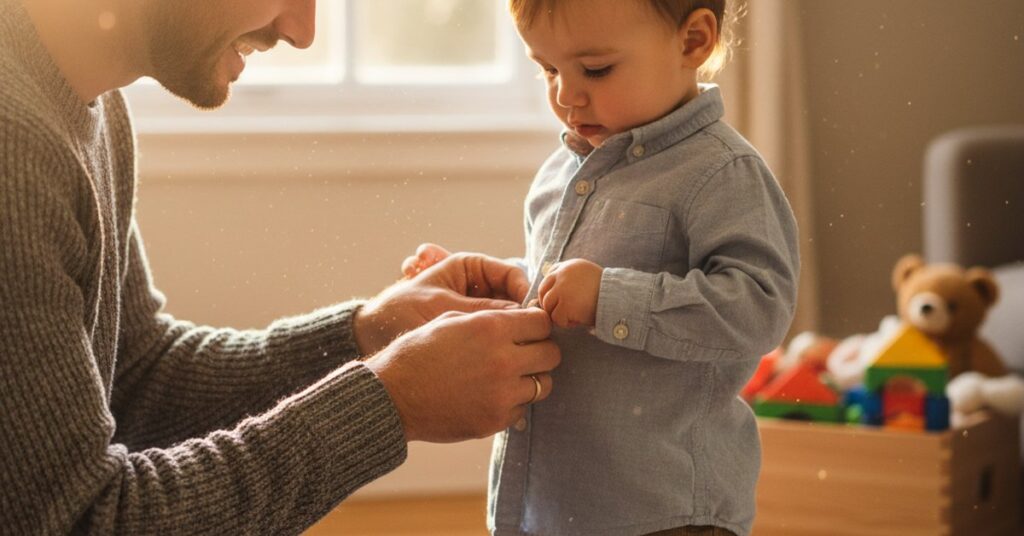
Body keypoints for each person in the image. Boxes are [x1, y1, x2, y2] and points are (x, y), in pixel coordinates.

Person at [0, 0, 561, 534]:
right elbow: (82, 521)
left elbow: (137, 377)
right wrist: (393, 400)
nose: (301, 30)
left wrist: (369, 333)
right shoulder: (15, 147)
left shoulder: (88, 101)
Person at [402, 1, 799, 535]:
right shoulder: (560, 171)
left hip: (662, 510)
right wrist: (492, 285)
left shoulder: (722, 174)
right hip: (555, 502)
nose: (566, 95)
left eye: (595, 70)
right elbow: (562, 284)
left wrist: (610, 298)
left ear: (693, 42)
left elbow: (760, 308)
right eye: (547, 69)